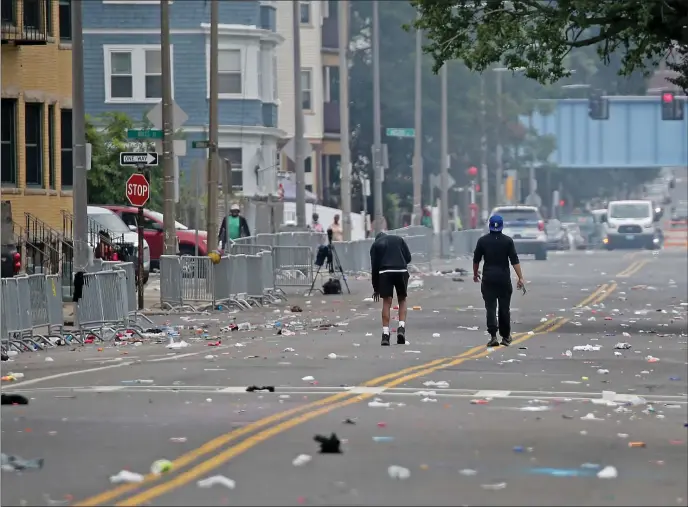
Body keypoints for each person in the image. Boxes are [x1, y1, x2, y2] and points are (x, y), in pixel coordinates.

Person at [473, 215, 525, 348]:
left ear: (489, 225)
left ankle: (493, 336)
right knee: (504, 309)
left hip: (488, 279)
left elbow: (476, 260)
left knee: (490, 308)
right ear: (502, 226)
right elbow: (514, 260)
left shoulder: (482, 241)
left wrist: (475, 274)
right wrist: (520, 277)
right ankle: (506, 336)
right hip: (503, 280)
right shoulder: (507, 241)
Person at [370, 232, 412, 346]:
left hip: (385, 272)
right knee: (402, 299)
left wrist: (376, 288)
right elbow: (408, 258)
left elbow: (374, 268)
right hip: (401, 270)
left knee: (387, 302)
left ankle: (385, 335)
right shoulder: (399, 239)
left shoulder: (376, 245)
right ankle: (401, 328)